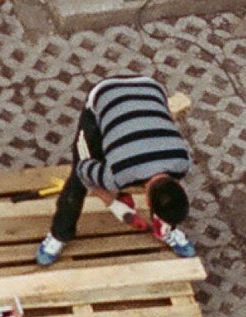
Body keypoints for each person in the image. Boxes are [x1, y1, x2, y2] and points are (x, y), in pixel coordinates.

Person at [35, 74, 195, 265]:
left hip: (151, 87)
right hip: (105, 93)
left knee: (165, 199)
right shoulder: (117, 174)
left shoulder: (182, 160)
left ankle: (168, 229)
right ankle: (59, 234)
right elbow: (83, 171)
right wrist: (116, 206)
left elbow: (169, 191)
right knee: (77, 183)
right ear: (147, 200)